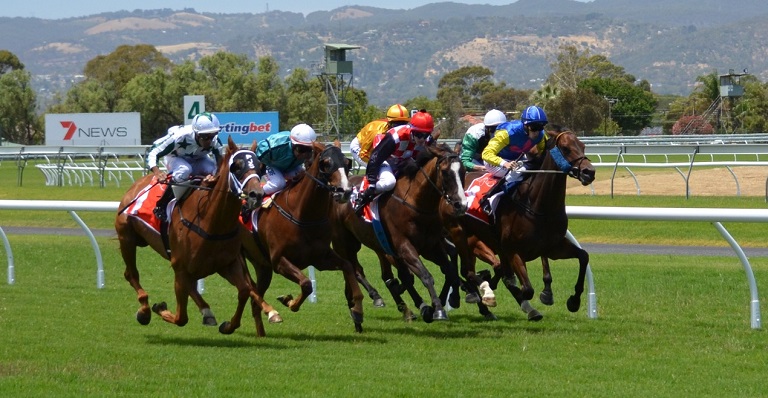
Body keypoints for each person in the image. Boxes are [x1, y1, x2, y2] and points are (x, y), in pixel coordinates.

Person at [353, 110, 435, 214]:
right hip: (386, 160)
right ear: (412, 130)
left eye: (426, 134)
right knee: (389, 182)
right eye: (419, 134)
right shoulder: (395, 137)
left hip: (404, 161)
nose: (422, 139)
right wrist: (372, 183)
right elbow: (375, 158)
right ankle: (363, 196)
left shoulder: (429, 140)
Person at [147, 112, 224, 221]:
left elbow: (221, 163)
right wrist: (157, 172)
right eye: (205, 136)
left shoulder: (215, 141)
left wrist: (215, 175)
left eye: (213, 134)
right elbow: (153, 151)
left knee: (213, 170)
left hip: (198, 158)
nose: (210, 140)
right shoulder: (180, 136)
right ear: (196, 133)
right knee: (185, 170)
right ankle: (162, 205)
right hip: (175, 158)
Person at [479, 105, 548, 215]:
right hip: (493, 161)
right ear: (525, 126)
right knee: (519, 171)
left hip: (514, 160)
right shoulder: (507, 133)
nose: (537, 132)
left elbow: (544, 152)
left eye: (540, 127)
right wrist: (504, 163)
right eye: (534, 128)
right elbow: (486, 154)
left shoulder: (540, 135)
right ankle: (489, 198)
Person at [255, 123, 317, 196]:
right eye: (301, 149)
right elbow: (258, 157)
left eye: (308, 150)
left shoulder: (311, 153)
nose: (304, 154)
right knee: (279, 183)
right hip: (273, 166)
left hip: (292, 167)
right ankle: (256, 195)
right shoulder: (275, 146)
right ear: (293, 144)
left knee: (306, 178)